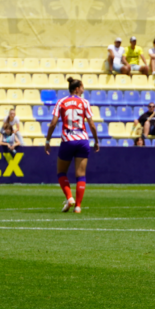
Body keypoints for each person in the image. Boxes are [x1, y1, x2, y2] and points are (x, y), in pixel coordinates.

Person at [45, 77, 100, 213]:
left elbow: (53, 123)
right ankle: (78, 206)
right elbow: (92, 125)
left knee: (61, 172)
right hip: (82, 140)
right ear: (77, 89)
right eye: (82, 87)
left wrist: (47, 141)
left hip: (68, 140)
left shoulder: (61, 102)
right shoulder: (85, 102)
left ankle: (70, 198)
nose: (83, 89)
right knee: (81, 174)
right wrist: (96, 140)